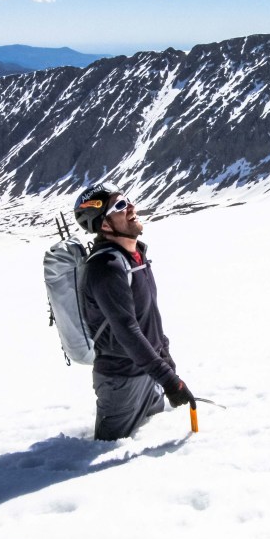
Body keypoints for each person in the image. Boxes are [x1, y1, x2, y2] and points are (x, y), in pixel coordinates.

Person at [73, 183, 194, 440]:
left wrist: (166, 363)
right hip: (121, 382)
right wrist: (169, 380)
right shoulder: (106, 267)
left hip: (149, 374)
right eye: (119, 206)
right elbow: (128, 330)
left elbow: (150, 317)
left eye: (127, 200)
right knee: (108, 459)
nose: (131, 208)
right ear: (104, 225)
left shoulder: (136, 257)